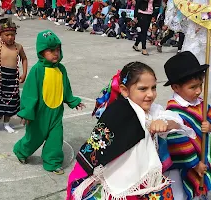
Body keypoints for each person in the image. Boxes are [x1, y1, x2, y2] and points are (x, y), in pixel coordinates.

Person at [66, 62, 192, 200]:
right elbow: (96, 147)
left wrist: (166, 123)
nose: (150, 94)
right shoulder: (117, 112)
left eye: (153, 87)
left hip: (145, 180)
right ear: (124, 90)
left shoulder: (154, 110)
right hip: (118, 178)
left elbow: (176, 120)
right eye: (143, 89)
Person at [13, 30, 85, 175]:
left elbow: (66, 88)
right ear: (41, 52)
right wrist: (27, 111)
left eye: (57, 50)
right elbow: (30, 93)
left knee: (56, 140)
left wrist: (72, 100)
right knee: (33, 139)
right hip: (39, 116)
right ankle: (21, 151)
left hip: (56, 114)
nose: (55, 53)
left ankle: (53, 162)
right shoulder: (37, 70)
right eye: (51, 50)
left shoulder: (61, 69)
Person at [163, 51, 211, 199]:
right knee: (187, 194)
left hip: (205, 159)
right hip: (188, 166)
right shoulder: (173, 112)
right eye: (193, 87)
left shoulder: (201, 104)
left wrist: (210, 126)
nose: (198, 91)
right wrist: (194, 164)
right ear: (176, 87)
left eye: (201, 85)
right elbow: (177, 142)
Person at [0, 17, 28, 134]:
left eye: (12, 35)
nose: (10, 37)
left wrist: (24, 73)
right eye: (7, 34)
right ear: (1, 34)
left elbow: (24, 59)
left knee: (10, 102)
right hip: (0, 77)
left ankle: (6, 123)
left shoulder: (18, 47)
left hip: (12, 78)